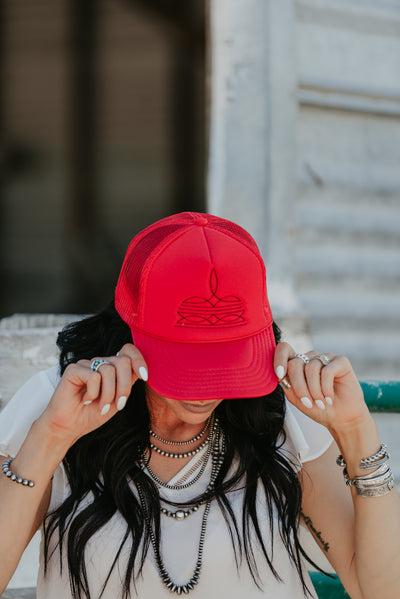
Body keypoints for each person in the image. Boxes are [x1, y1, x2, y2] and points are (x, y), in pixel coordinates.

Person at [0, 212, 399, 599]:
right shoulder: (59, 402)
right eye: (185, 360)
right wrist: (51, 437)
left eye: (227, 359)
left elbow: (381, 590)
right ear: (128, 330)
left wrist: (356, 431)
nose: (204, 388)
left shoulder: (281, 415)